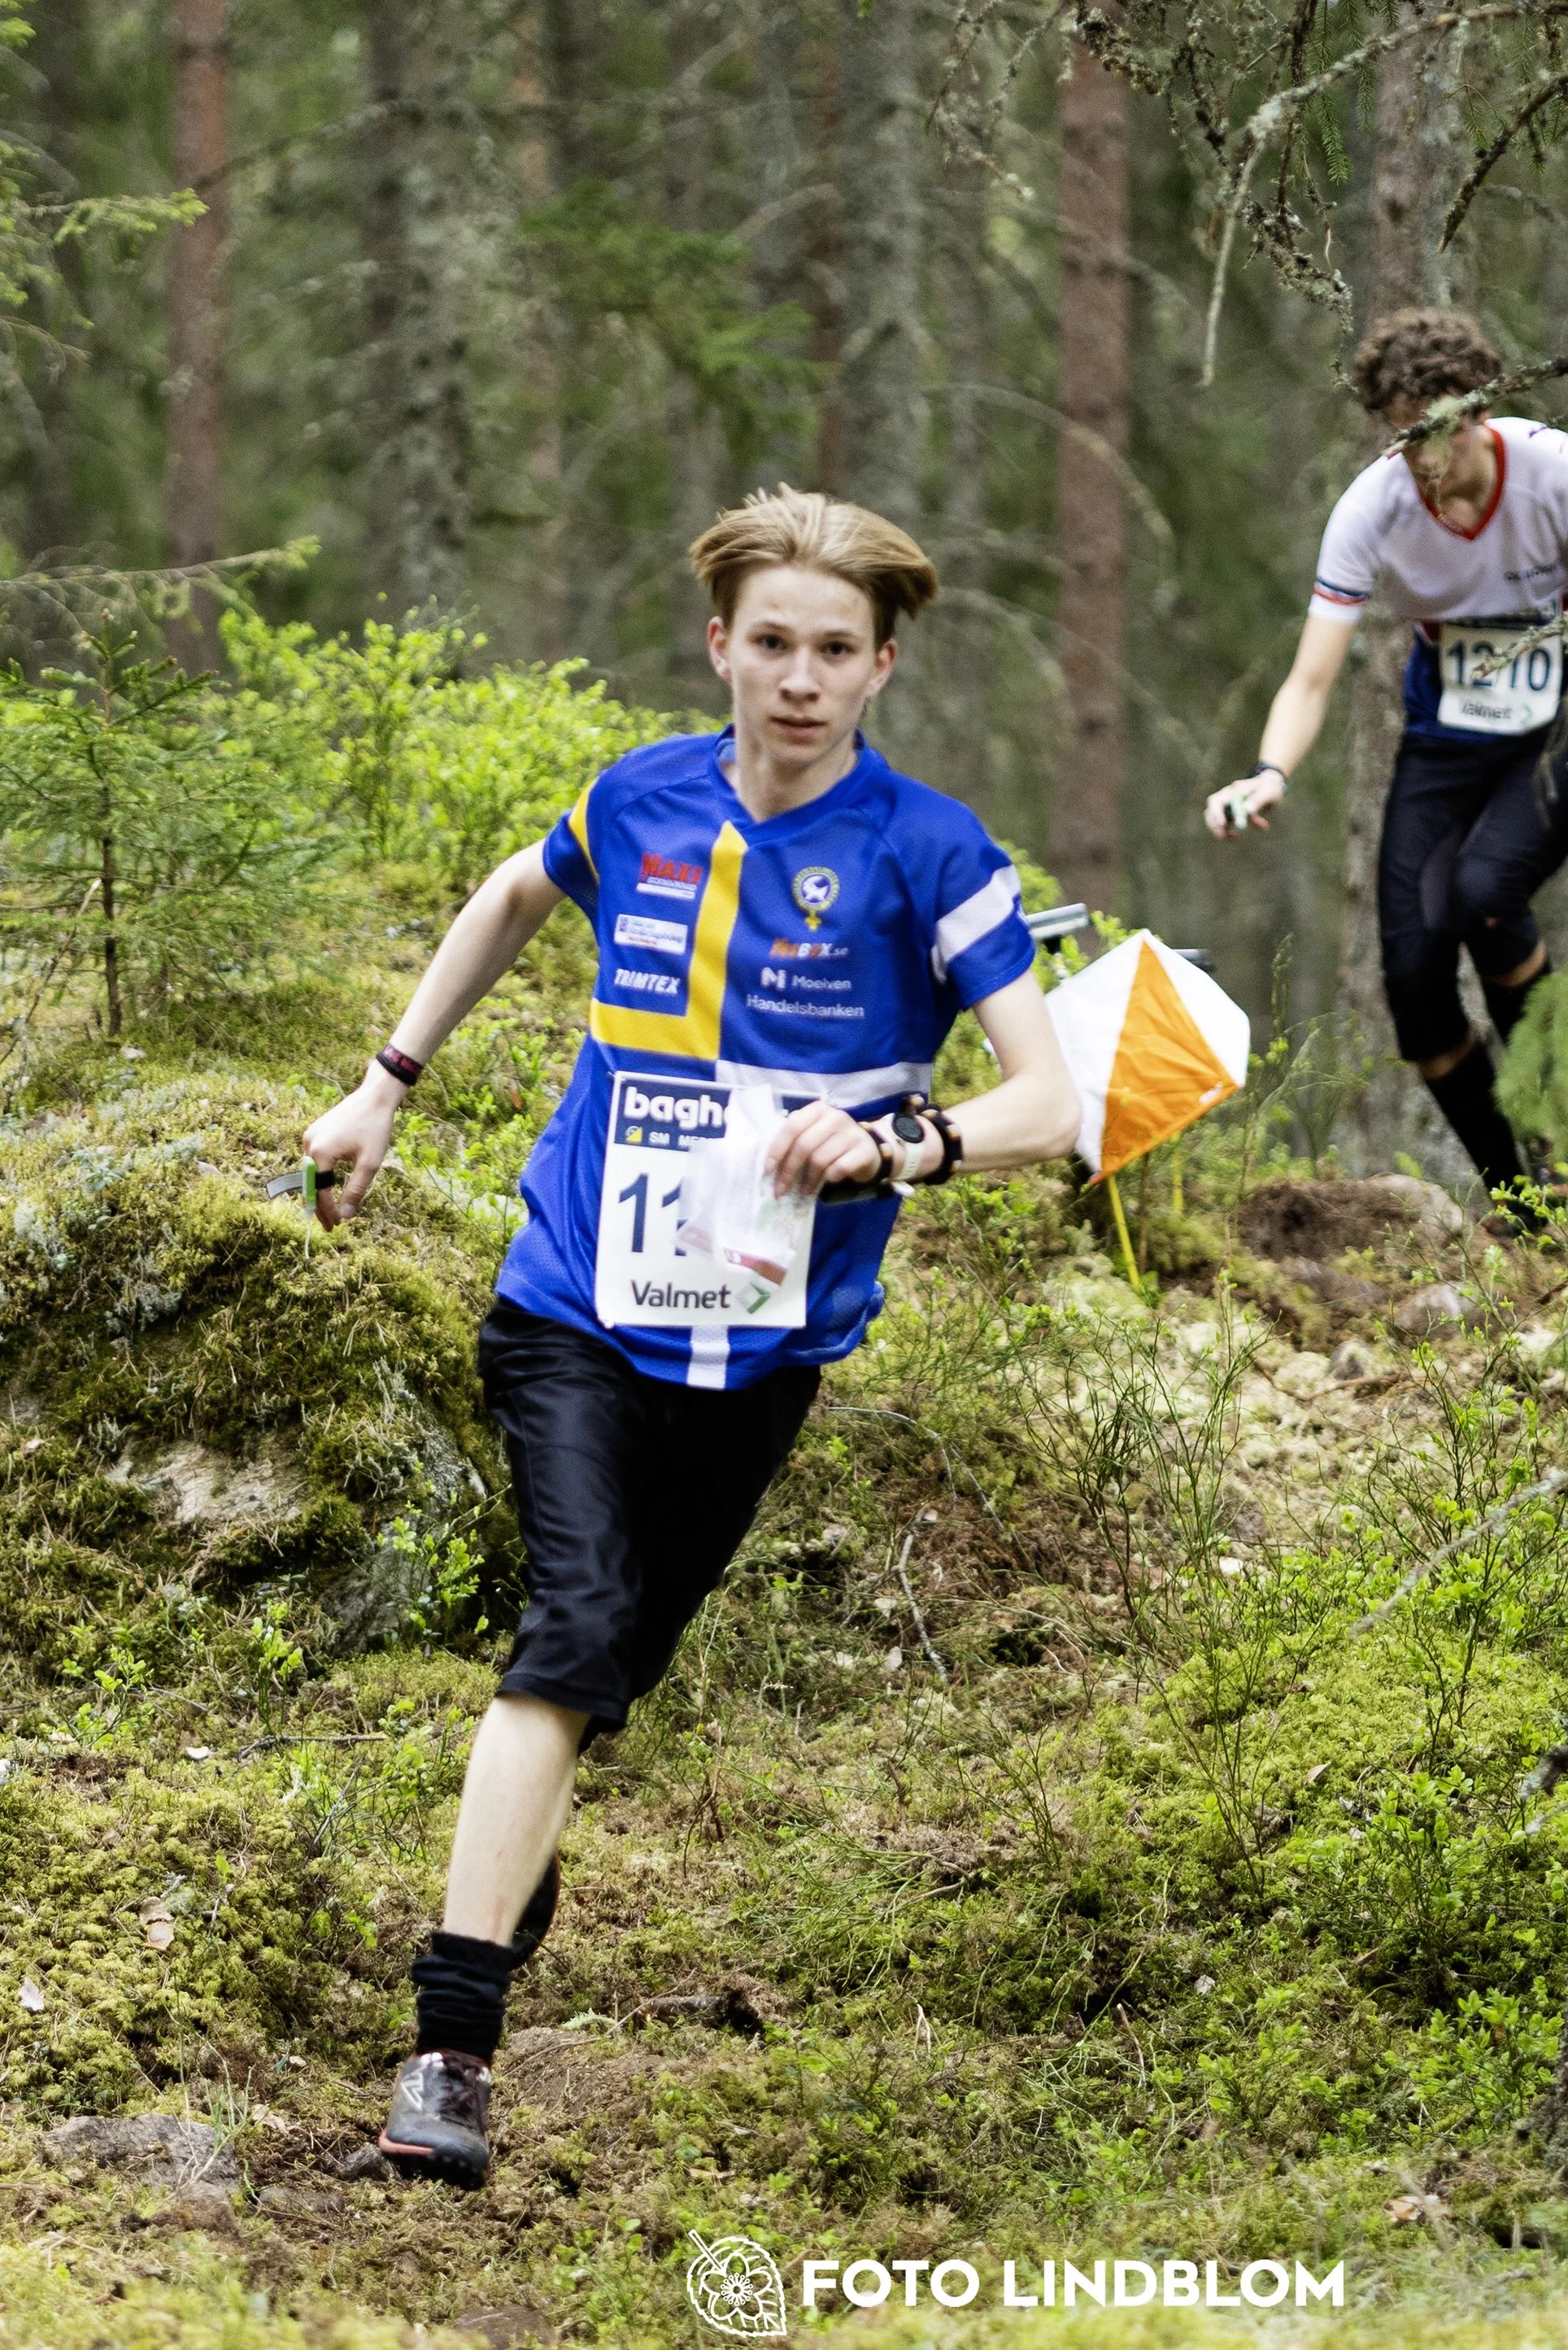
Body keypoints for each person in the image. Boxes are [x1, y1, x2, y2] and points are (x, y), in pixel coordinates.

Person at [303, 487, 1080, 2186]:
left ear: (881, 664)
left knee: (604, 1680)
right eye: (771, 643)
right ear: (720, 644)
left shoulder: (927, 852)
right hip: (571, 1296)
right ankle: (449, 2047)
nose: (798, 680)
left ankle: (495, 1893)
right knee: (566, 1631)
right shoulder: (642, 796)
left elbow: (1057, 1097)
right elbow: (517, 888)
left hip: (764, 1343)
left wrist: (900, 1142)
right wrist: (386, 1081)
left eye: (835, 651)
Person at [1203, 307, 1568, 1207]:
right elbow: (1309, 678)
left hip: (1556, 726)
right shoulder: (1373, 507)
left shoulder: (1558, 474)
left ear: (1481, 411)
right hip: (1446, 736)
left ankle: (1562, 1157)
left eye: (1437, 431)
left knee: (1485, 896)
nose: (1420, 456)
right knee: (1414, 987)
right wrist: (1270, 772)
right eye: (1400, 433)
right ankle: (1521, 1205)